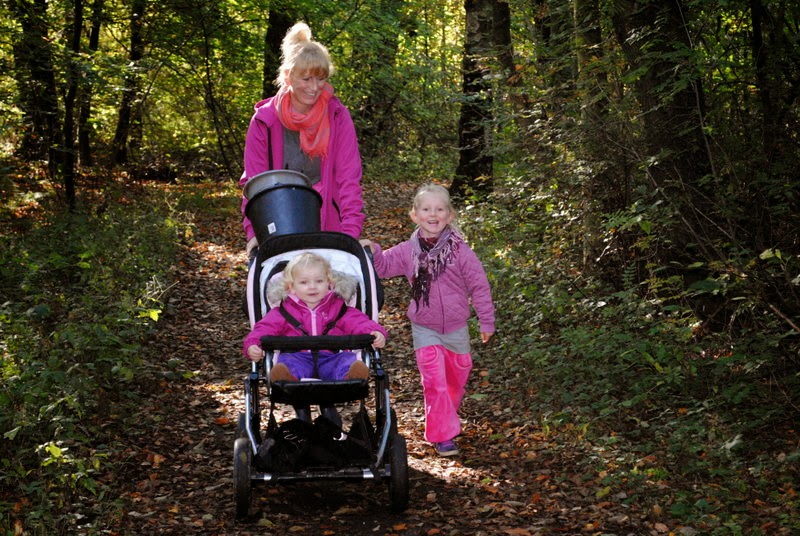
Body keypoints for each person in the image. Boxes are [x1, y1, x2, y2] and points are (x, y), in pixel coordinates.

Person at [361, 183, 495, 457]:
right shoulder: (407, 251)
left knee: (455, 381)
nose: (433, 214)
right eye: (426, 209)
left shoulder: (460, 251)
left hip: (456, 327)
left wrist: (486, 321)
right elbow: (383, 268)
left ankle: (446, 417)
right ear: (415, 215)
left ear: (450, 215)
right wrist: (372, 250)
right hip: (424, 326)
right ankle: (443, 435)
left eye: (440, 209)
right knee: (435, 382)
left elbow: (479, 286)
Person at [239, 22, 365, 258]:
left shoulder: (337, 116)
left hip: (329, 222)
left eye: (321, 79)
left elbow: (349, 179)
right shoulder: (265, 121)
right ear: (288, 76)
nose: (314, 88)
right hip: (279, 220)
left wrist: (350, 233)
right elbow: (254, 182)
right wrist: (254, 232)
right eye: (306, 79)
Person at [243, 252, 387, 383]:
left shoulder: (339, 308)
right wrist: (253, 344)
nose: (312, 287)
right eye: (304, 282)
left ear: (329, 283)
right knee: (287, 363)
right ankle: (286, 379)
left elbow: (359, 322)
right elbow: (264, 329)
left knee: (346, 361)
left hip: (332, 356)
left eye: (319, 281)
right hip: (297, 356)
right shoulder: (282, 312)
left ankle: (351, 377)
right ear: (291, 287)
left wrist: (375, 332)